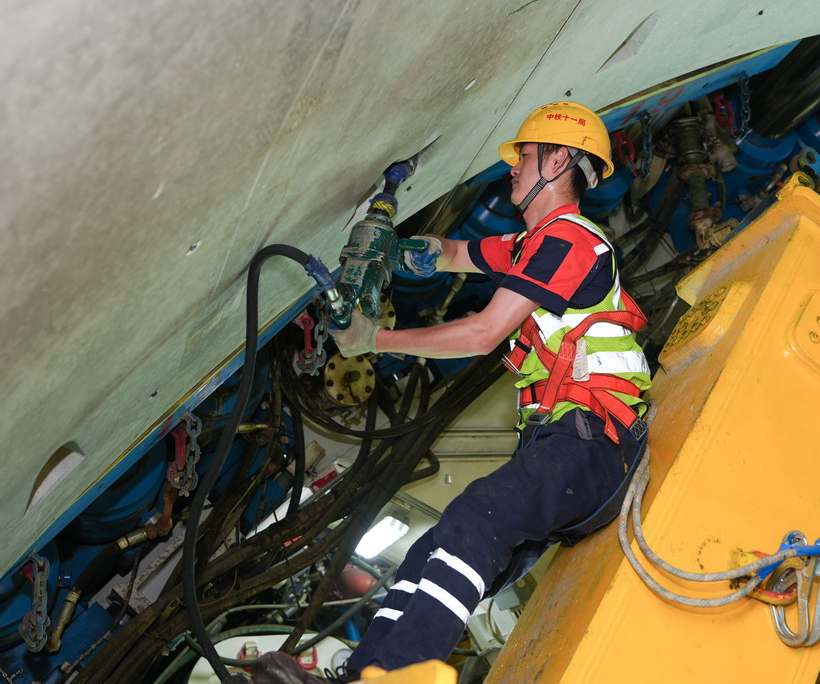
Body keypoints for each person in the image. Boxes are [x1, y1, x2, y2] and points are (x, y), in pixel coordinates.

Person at [253, 101, 652, 684]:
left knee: (475, 518)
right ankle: (364, 676)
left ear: (558, 160)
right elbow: (457, 253)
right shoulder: (533, 245)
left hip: (595, 443)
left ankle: (396, 679)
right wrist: (397, 249)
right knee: (431, 551)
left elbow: (483, 333)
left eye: (524, 155)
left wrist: (372, 339)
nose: (512, 166)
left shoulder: (571, 241)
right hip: (567, 446)